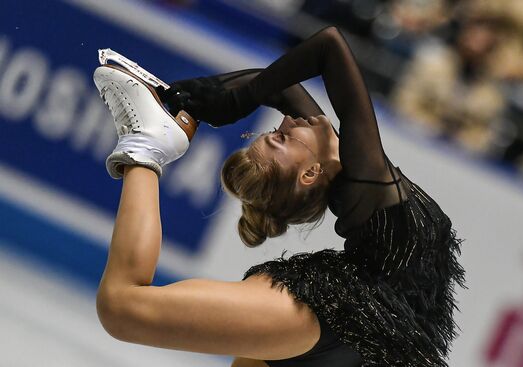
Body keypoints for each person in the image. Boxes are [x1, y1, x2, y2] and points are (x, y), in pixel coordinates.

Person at [95, 26, 464, 367]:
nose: (288, 120)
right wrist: (237, 99)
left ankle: (153, 138)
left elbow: (277, 85)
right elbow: (327, 48)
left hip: (367, 337)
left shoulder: (349, 175)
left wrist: (191, 96)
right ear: (308, 173)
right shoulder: (367, 180)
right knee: (122, 307)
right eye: (282, 138)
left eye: (277, 132)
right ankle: (147, 147)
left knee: (123, 308)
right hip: (341, 314)